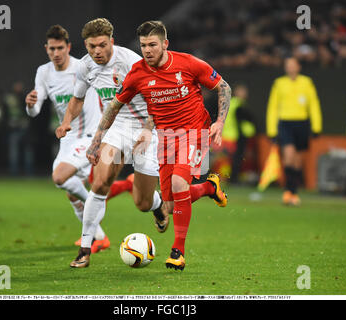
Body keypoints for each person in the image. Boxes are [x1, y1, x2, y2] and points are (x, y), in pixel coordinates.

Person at [85, 20, 230, 271]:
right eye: (143, 46)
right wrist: (97, 140)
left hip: (194, 131)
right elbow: (114, 106)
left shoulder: (189, 63)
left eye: (152, 44)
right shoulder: (138, 74)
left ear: (165, 44)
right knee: (171, 205)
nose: (147, 50)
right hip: (166, 138)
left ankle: (178, 253)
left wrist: (219, 121)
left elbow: (223, 87)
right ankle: (208, 188)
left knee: (177, 184)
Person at [56, 18, 170, 269]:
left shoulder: (131, 62)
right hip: (118, 128)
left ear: (112, 42)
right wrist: (66, 122)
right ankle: (85, 249)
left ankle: (157, 204)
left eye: (102, 45)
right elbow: (77, 99)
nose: (97, 51)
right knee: (99, 181)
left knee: (141, 202)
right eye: (91, 46)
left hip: (147, 129)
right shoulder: (85, 67)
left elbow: (159, 101)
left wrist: (149, 130)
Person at [26, 25, 120, 252]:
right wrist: (30, 105)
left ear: (68, 47)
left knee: (59, 176)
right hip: (67, 139)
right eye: (51, 49)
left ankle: (95, 203)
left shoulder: (83, 66)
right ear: (46, 49)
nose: (55, 53)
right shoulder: (44, 72)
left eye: (60, 48)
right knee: (69, 189)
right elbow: (36, 109)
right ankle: (100, 236)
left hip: (90, 135)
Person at [266, 57, 322, 206]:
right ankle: (288, 191)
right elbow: (273, 107)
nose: (290, 68)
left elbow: (313, 104)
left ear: (298, 67)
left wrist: (317, 126)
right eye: (287, 65)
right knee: (288, 156)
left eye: (292, 65)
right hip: (285, 123)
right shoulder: (279, 83)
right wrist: (272, 130)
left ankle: (294, 192)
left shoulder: (306, 82)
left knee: (298, 160)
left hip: (302, 123)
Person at [220, 84, 256, 183]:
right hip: (234, 136)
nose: (244, 94)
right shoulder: (237, 104)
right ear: (236, 92)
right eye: (241, 91)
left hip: (228, 135)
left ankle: (229, 178)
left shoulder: (231, 103)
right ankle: (232, 179)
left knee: (230, 159)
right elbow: (239, 120)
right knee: (234, 158)